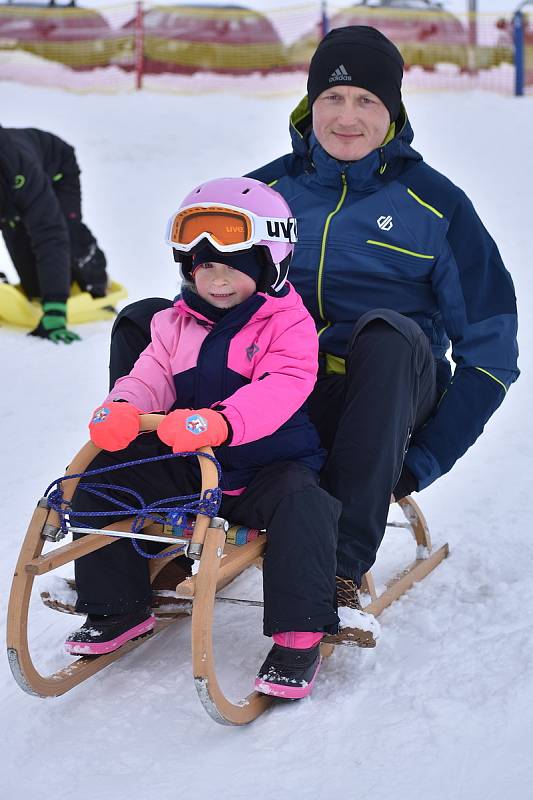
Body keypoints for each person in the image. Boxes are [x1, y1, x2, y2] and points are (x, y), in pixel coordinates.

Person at [107, 26, 519, 646]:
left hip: (383, 394)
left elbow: (492, 353)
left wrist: (423, 458)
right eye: (333, 98)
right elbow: (198, 298)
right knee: (145, 321)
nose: (346, 117)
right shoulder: (266, 195)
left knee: (385, 333)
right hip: (273, 388)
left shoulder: (438, 208)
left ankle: (338, 569)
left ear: (394, 110)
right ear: (309, 103)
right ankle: (155, 524)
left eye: (366, 102)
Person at [64, 176, 345, 700]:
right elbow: (151, 374)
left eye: (233, 267)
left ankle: (298, 636)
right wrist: (125, 406)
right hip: (194, 464)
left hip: (267, 467)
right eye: (204, 267)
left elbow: (281, 388)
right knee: (100, 482)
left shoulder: (287, 325)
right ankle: (116, 607)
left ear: (267, 264)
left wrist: (221, 421)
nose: (216, 280)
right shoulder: (174, 322)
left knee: (306, 508)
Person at [0, 125, 109, 343]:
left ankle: (96, 281)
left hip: (56, 169)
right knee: (35, 289)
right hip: (12, 189)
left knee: (66, 231)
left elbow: (50, 233)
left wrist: (56, 309)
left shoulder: (20, 170)